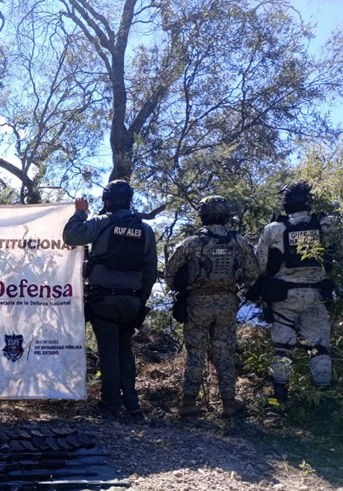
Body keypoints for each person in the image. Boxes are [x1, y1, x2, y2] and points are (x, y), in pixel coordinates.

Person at [63, 179, 157, 418]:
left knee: (109, 353)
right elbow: (150, 271)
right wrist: (140, 303)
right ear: (130, 199)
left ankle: (110, 404)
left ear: (107, 201)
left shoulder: (103, 222)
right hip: (132, 301)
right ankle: (133, 406)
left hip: (104, 299)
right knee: (125, 351)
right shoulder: (145, 230)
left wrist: (80, 213)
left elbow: (72, 236)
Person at [164, 196, 259, 418]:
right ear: (226, 215)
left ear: (202, 215)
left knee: (195, 352)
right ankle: (228, 403)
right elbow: (253, 274)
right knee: (224, 351)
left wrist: (187, 288)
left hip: (197, 302)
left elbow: (170, 274)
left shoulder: (190, 243)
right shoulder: (240, 242)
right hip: (227, 302)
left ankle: (189, 403)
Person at [254, 180, 335, 404]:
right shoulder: (326, 225)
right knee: (319, 346)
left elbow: (261, 265)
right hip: (317, 294)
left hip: (283, 297)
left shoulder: (274, 229)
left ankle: (280, 399)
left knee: (282, 348)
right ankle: (324, 400)